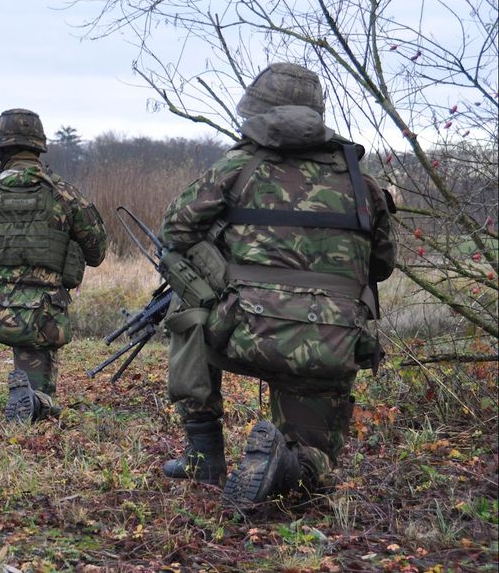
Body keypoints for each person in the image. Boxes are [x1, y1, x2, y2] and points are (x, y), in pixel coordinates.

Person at [157, 63, 397, 508]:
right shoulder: (363, 183)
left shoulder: (236, 167)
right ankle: (291, 462)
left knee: (186, 305)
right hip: (330, 344)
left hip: (244, 333)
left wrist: (226, 269)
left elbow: (175, 233)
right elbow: (381, 265)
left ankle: (205, 454)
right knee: (313, 465)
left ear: (257, 112)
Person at [0, 109, 107, 423]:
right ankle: (35, 400)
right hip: (39, 318)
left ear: (0, 153)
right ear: (38, 151)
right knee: (36, 401)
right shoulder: (65, 195)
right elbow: (97, 252)